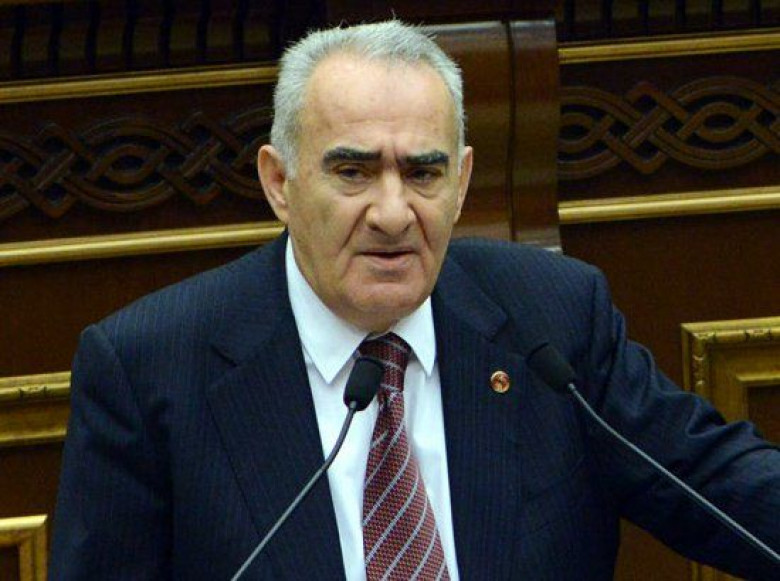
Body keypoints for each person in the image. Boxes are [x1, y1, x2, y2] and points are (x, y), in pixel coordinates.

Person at [50, 20, 779, 580]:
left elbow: (716, 483)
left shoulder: (551, 320)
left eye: (423, 173)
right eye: (353, 172)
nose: (394, 213)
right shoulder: (151, 368)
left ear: (461, 184)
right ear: (279, 182)